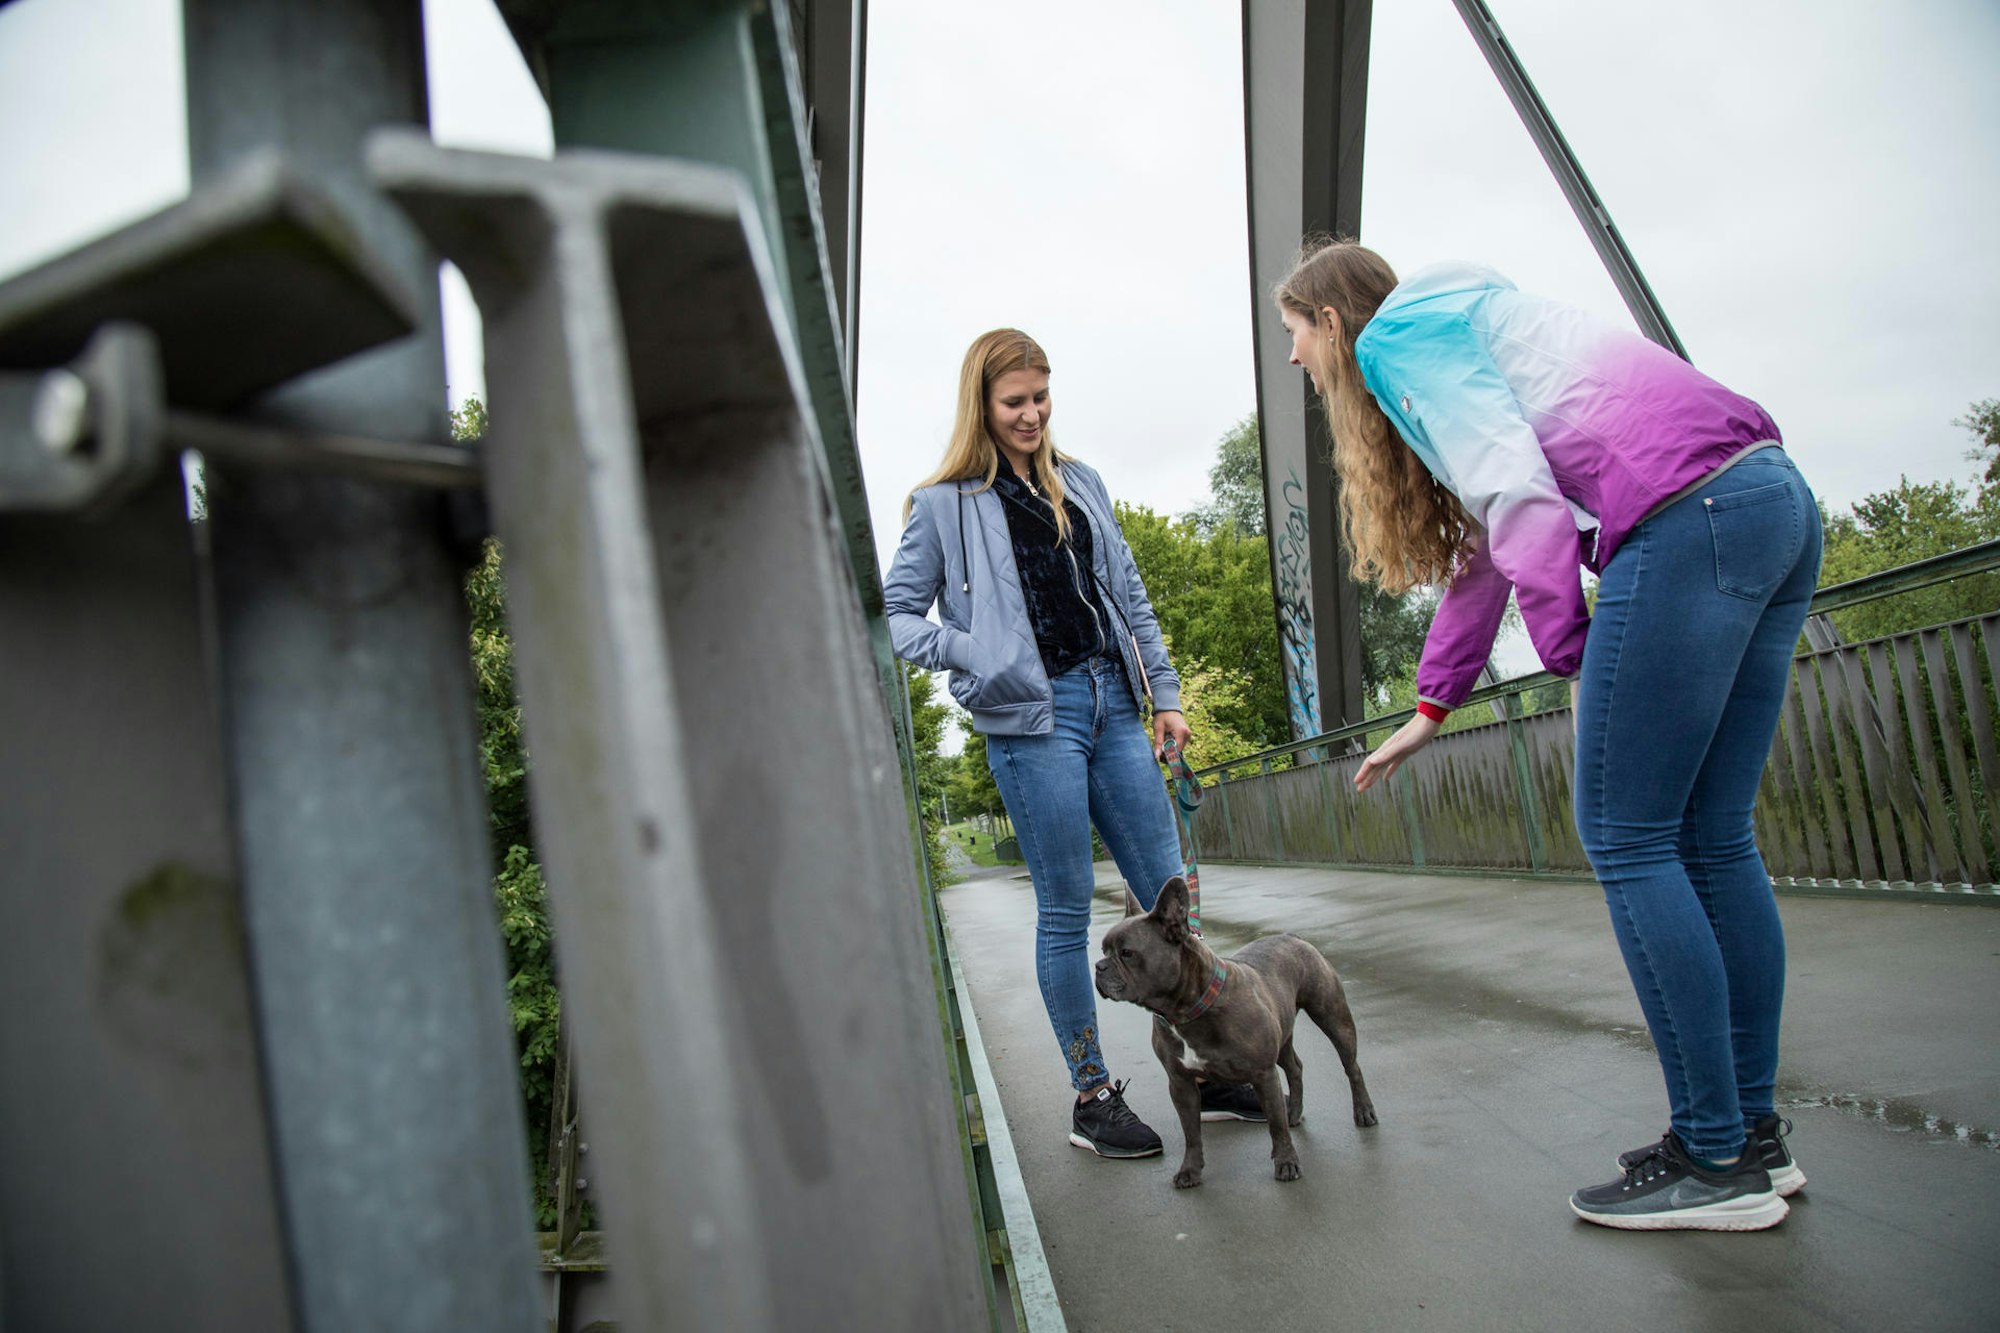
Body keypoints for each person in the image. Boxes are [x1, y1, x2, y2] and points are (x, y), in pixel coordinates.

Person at [1274, 239, 1821, 1232]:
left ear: (1334, 322)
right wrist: (1431, 707)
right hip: (1767, 499)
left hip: (1682, 517)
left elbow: (1519, 498)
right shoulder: (1462, 320)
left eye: (1295, 333)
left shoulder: (1395, 342)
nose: (1293, 358)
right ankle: (1748, 1136)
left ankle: (1711, 1154)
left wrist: (1571, 650)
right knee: (1709, 835)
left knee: (1624, 832)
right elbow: (1488, 549)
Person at [884, 328, 1264, 1159]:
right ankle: (1092, 1095)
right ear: (982, 405)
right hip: (1031, 721)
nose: (1032, 413)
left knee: (1173, 902)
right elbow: (901, 615)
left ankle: (1216, 1067)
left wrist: (1163, 694)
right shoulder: (942, 503)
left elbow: (1129, 592)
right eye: (1014, 401)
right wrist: (970, 649)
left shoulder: (1081, 481)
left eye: (1041, 396)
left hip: (1114, 704)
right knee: (1063, 911)